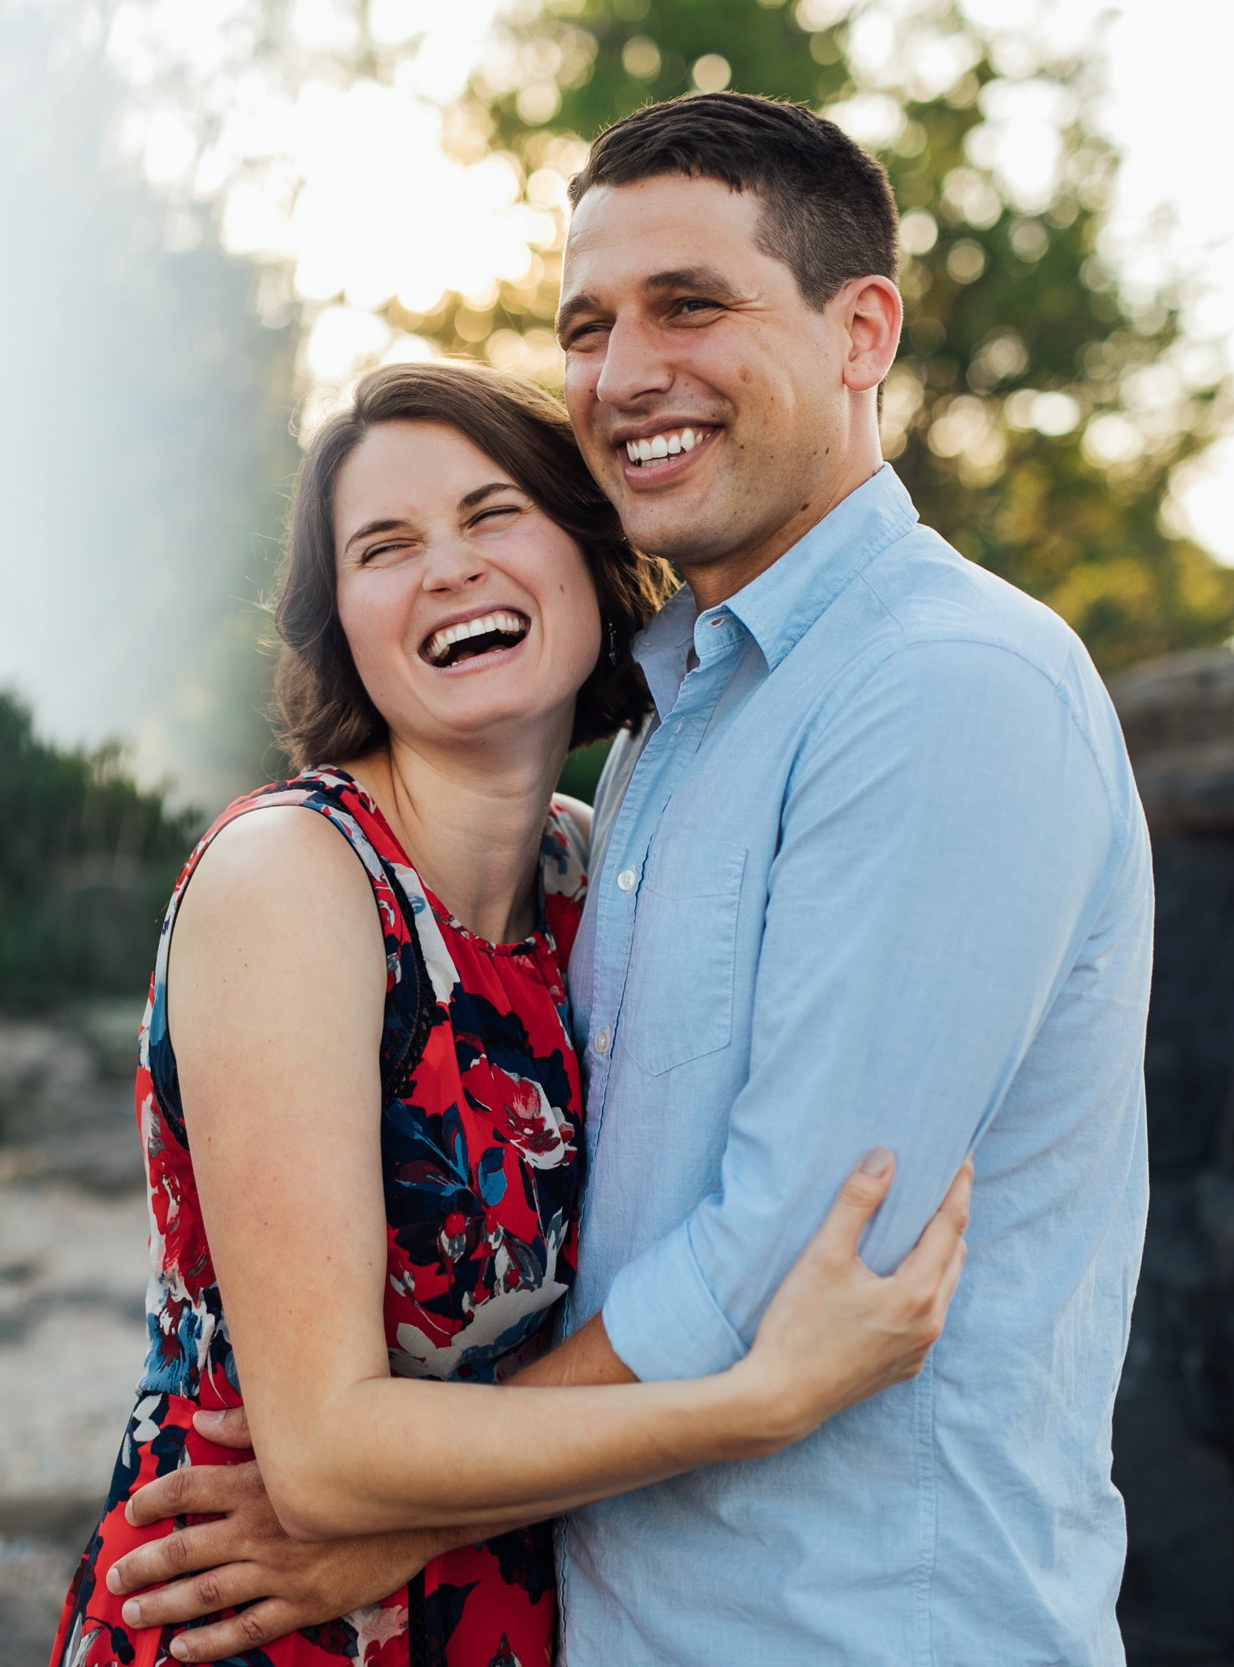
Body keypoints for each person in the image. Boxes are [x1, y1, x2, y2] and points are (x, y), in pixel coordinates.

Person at [102, 91, 1156, 1665]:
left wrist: (384, 1528)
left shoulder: (947, 684)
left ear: (861, 330)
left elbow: (788, 1251)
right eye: (587, 325)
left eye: (691, 304)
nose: (625, 370)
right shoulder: (674, 738)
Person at [48, 359, 975, 1667]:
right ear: (346, 628)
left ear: (591, 557)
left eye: (493, 516)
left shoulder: (594, 878)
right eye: (385, 546)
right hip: (262, 1625)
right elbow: (320, 1459)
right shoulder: (297, 878)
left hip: (505, 1611)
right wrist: (759, 1403)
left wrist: (413, 1531)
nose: (447, 568)